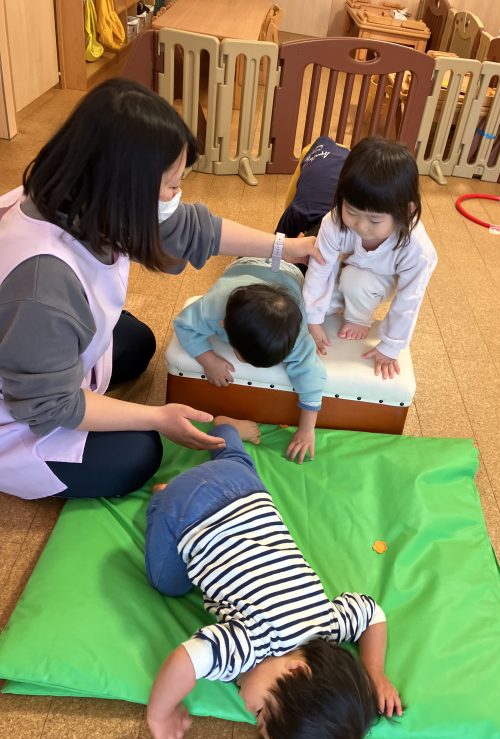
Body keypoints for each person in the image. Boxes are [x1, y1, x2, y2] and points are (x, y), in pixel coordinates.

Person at [0, 78, 320, 500]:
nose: (177, 195)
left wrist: (288, 247)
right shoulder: (42, 288)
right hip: (22, 406)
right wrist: (157, 417)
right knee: (140, 451)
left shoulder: (76, 191)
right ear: (125, 190)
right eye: (171, 185)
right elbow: (49, 406)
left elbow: (192, 228)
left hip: (31, 344)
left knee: (137, 343)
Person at [145, 417, 402, 739]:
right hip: (185, 506)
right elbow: (183, 661)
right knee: (166, 582)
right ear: (296, 671)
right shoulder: (249, 645)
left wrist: (374, 672)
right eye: (262, 713)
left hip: (246, 488)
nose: (251, 714)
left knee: (233, 458)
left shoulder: (328, 625)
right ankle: (159, 500)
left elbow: (372, 613)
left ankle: (228, 432)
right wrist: (160, 713)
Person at [302, 137, 438, 380]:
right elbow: (320, 268)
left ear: (406, 211)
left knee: (356, 282)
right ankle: (339, 304)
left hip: (382, 277)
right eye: (351, 211)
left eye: (375, 220)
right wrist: (312, 318)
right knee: (315, 300)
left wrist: (391, 346)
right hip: (347, 264)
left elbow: (409, 299)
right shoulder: (334, 222)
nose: (361, 226)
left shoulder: (416, 247)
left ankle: (358, 317)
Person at [173, 257, 326, 463]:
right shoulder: (212, 309)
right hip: (245, 264)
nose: (245, 363)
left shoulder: (297, 337)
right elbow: (184, 324)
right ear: (223, 325)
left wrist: (307, 429)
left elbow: (312, 376)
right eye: (242, 355)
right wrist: (208, 360)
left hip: (291, 273)